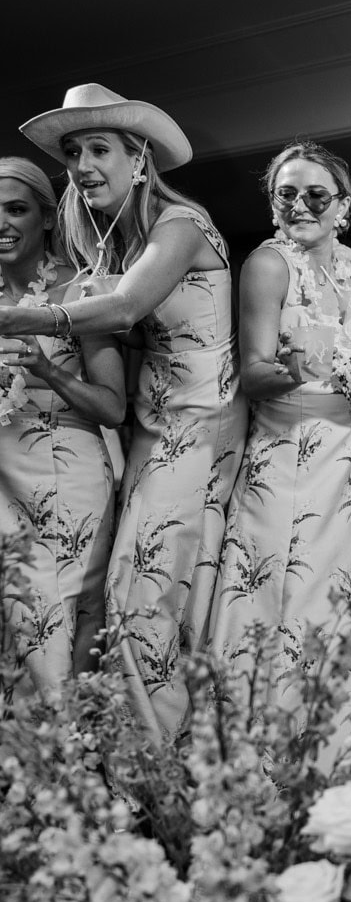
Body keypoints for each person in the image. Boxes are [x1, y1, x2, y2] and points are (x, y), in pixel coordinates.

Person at [17, 83, 245, 740]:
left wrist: (18, 318)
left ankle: (159, 774)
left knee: (139, 599)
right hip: (148, 436)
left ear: (140, 161)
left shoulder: (183, 225)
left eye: (98, 149)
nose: (82, 165)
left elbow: (123, 311)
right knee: (150, 605)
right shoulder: (111, 252)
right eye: (72, 154)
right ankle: (156, 769)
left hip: (199, 434)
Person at [210, 143, 351, 736]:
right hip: (289, 448)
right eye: (287, 193)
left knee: (340, 594)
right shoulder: (267, 263)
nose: (300, 205)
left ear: (344, 204)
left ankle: (340, 753)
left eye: (316, 194)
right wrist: (326, 353)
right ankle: (271, 755)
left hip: (348, 449)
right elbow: (253, 376)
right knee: (287, 592)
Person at [0, 158, 124, 699]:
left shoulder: (82, 294)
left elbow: (113, 408)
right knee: (13, 627)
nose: (1, 223)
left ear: (47, 219)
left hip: (68, 480)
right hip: (2, 482)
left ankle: (69, 766)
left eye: (16, 209)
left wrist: (46, 369)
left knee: (61, 626)